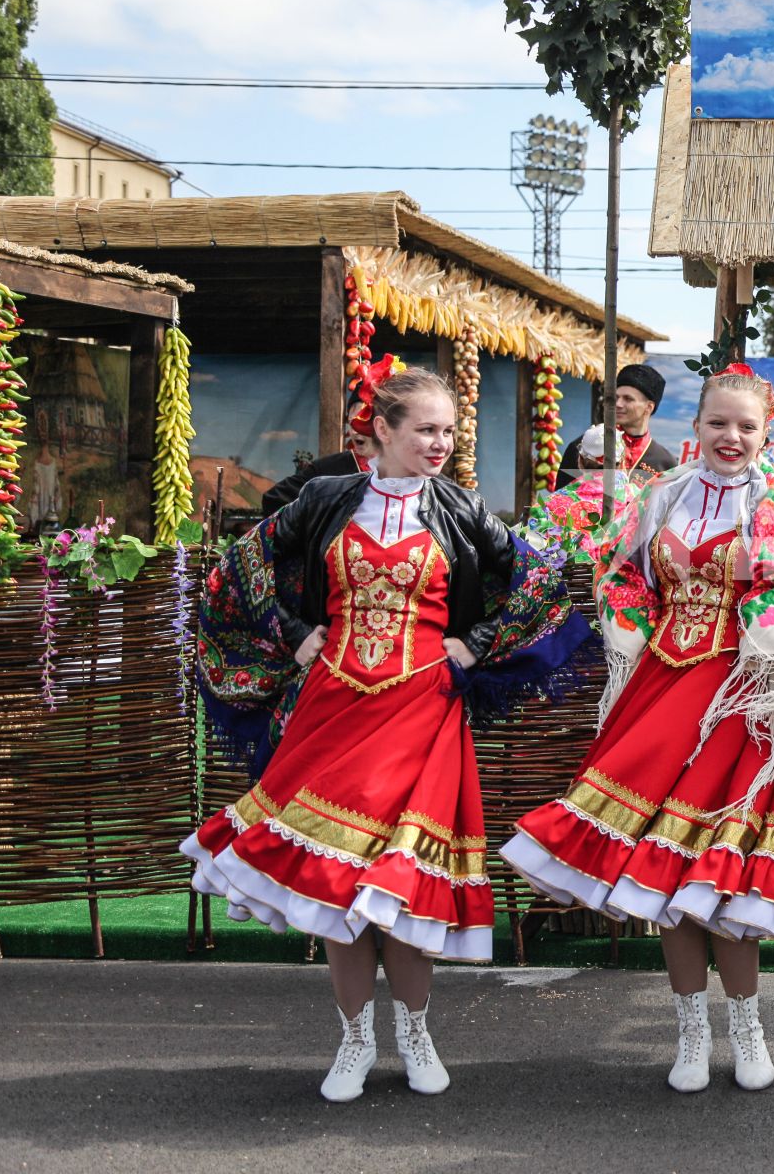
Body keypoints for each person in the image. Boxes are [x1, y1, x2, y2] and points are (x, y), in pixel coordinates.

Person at [185, 366, 591, 1103]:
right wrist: (296, 632)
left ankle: (415, 1032)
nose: (439, 444)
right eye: (425, 431)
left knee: (403, 888)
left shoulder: (463, 508)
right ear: (382, 429)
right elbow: (240, 564)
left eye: (448, 432)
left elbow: (542, 580)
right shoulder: (324, 499)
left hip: (424, 713)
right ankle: (354, 1041)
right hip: (331, 710)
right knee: (337, 886)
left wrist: (474, 644)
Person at [501, 363, 774, 1094]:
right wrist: (631, 628)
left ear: (765, 432)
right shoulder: (662, 494)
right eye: (718, 423)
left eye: (746, 426)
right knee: (662, 873)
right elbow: (624, 575)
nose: (730, 437)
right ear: (695, 427)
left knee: (724, 877)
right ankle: (690, 1029)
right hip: (661, 693)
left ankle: (747, 1025)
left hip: (739, 704)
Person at [259, 354, 398, 515]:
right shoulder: (328, 470)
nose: (355, 429)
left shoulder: (410, 471)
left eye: (364, 418)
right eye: (352, 418)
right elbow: (273, 500)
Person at [561, 363, 676, 478]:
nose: (618, 404)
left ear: (649, 407)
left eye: (628, 399)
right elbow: (560, 495)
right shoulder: (585, 447)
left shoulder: (665, 463)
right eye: (615, 398)